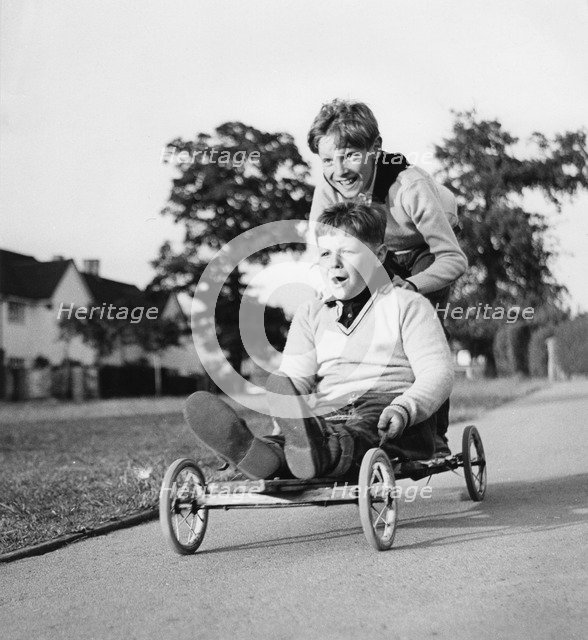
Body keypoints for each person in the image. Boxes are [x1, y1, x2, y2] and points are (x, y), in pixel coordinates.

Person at [183, 202, 454, 480]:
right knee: (310, 433)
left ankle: (314, 453)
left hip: (390, 409)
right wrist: (287, 413)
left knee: (360, 431)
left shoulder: (408, 305)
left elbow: (437, 372)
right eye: (325, 253)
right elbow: (294, 379)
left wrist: (405, 407)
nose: (334, 262)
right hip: (330, 410)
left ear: (379, 255)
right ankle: (262, 454)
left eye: (348, 252)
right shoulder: (311, 313)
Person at [306, 98, 467, 457]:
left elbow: (454, 259)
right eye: (328, 160)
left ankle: (432, 436)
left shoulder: (408, 187)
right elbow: (316, 252)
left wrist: (409, 285)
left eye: (349, 155)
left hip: (425, 243)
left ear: (375, 148)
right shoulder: (328, 187)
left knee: (423, 325)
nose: (339, 170)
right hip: (380, 248)